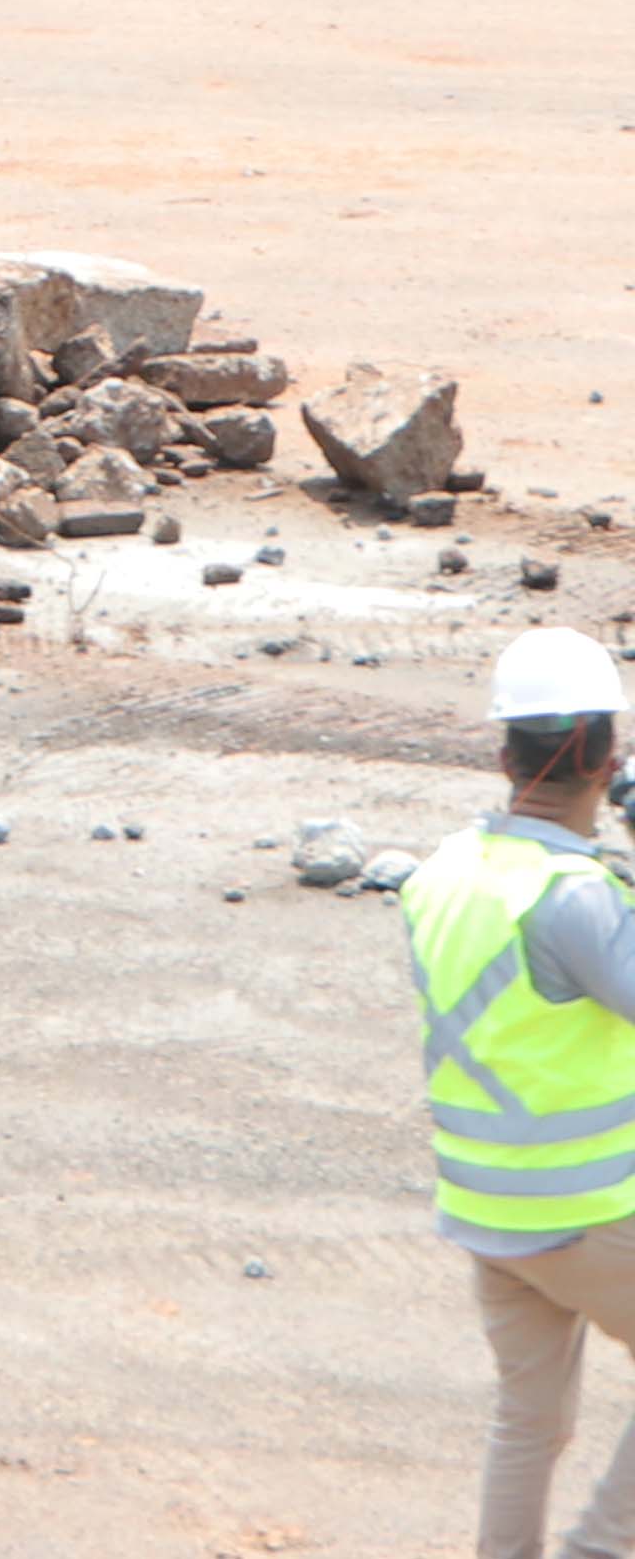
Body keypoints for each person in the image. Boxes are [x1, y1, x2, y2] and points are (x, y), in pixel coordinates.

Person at [417, 628, 635, 1558]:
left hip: (483, 1204)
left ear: (505, 753)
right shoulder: (573, 895)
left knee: (529, 1420)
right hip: (583, 1210)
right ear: (604, 756)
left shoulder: (443, 875)